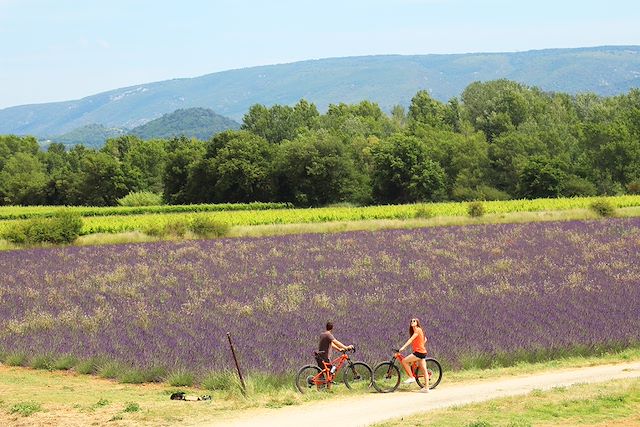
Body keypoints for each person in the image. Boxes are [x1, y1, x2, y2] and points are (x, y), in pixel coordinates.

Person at [398, 317, 430, 393]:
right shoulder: (417, 330)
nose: (412, 322)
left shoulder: (418, 330)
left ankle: (411, 377)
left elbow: (411, 339)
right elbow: (425, 339)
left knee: (404, 361)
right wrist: (421, 345)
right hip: (421, 352)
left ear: (417, 323)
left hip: (419, 353)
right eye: (411, 321)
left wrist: (403, 347)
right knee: (424, 370)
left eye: (414, 321)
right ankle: (426, 388)